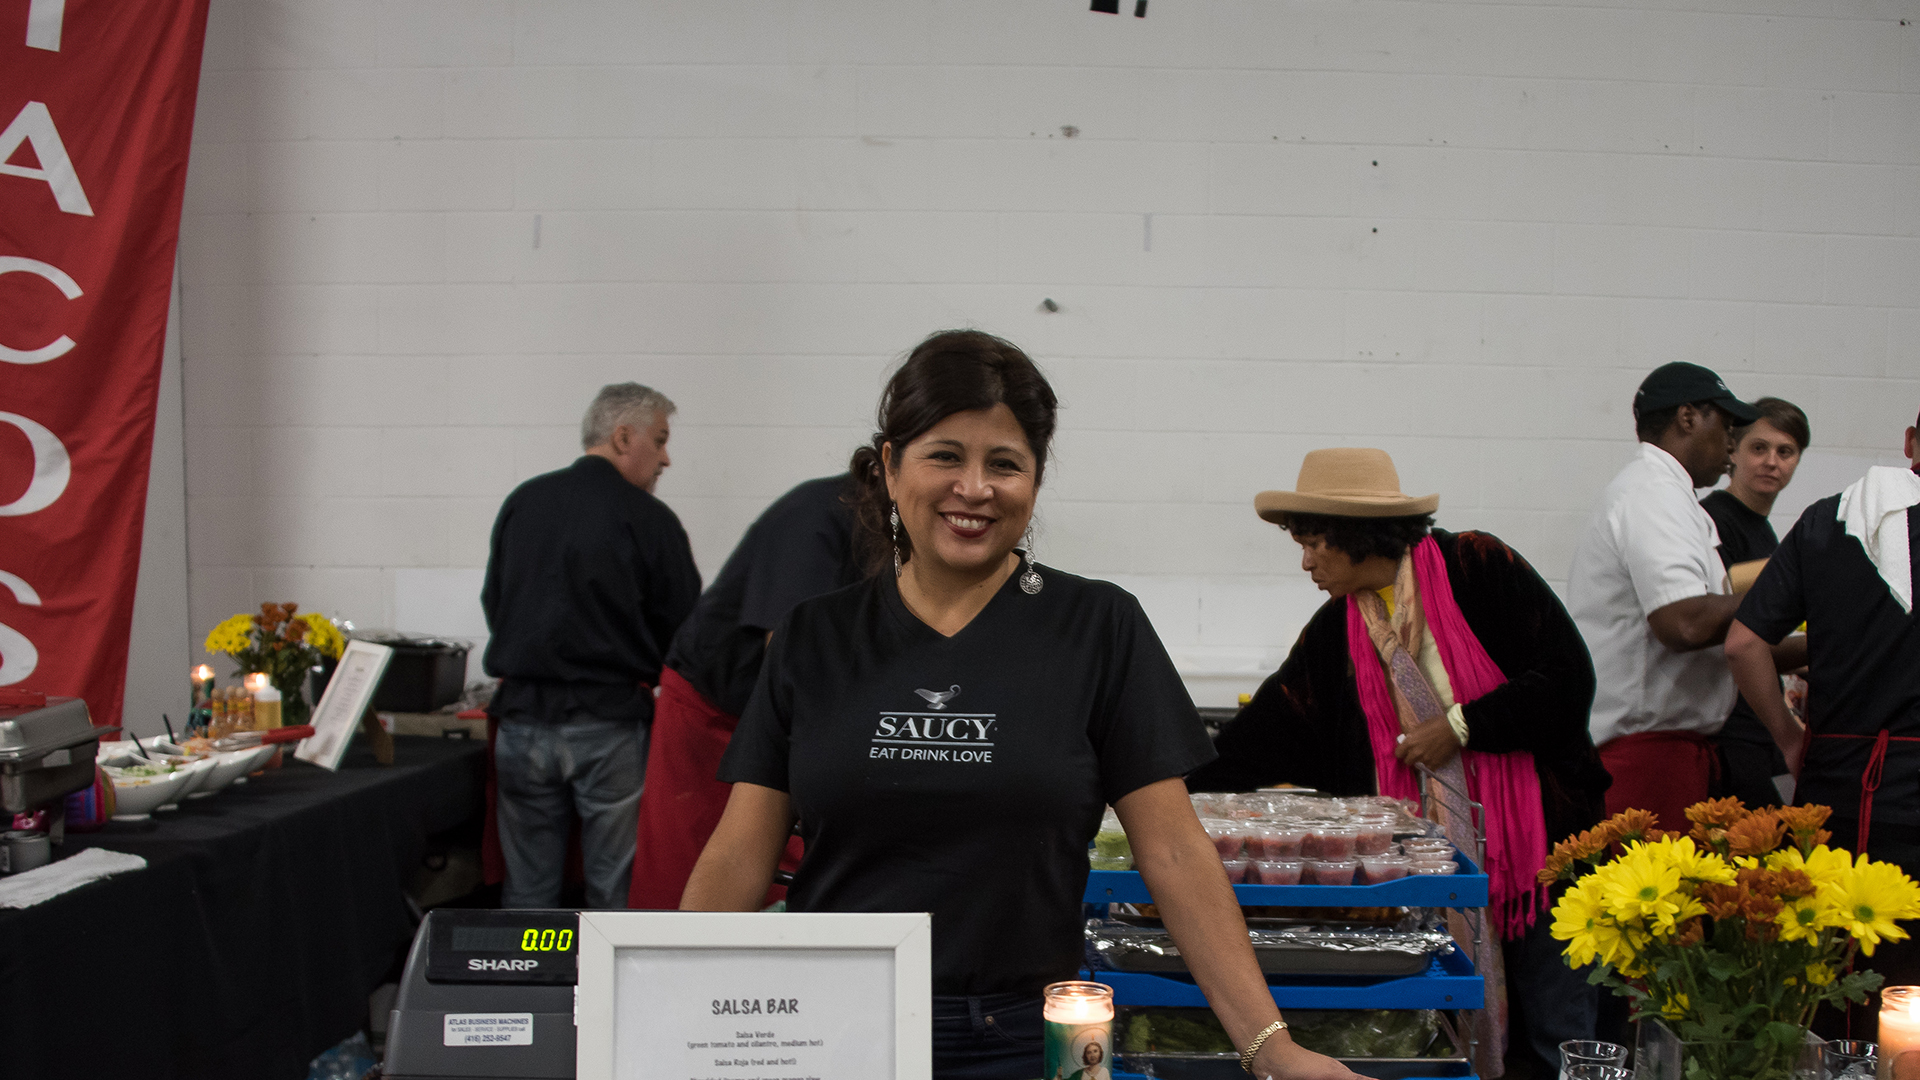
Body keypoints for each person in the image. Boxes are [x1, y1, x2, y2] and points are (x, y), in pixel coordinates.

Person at [681, 330, 1360, 1080]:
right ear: (890, 467)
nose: (974, 488)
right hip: (831, 1032)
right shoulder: (815, 636)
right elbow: (739, 854)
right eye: (946, 456)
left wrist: (1271, 1047)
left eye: (1005, 463)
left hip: (1023, 1041)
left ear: (1034, 479)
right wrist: (668, 1024)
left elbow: (1173, 851)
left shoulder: (1098, 628)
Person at [1189, 448, 1608, 1080]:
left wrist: (1461, 727)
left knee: (1556, 1033)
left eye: (1314, 543)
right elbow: (1264, 734)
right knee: (1449, 1035)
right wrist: (1161, 784)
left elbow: (1567, 680)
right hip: (1434, 869)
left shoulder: (1478, 566)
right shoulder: (1338, 630)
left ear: (1356, 534)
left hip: (1543, 856)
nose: (1306, 561)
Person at [1725, 408, 1920, 1039]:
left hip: (1835, 785)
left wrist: (1789, 736)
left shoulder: (1830, 520)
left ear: (1910, 443)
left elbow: (1743, 644)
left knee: (1831, 984)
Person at [481, 382, 701, 909]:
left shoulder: (524, 502)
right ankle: (599, 967)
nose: (666, 459)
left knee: (528, 888)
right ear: (624, 437)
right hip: (610, 725)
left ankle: (533, 959)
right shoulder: (649, 519)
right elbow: (684, 626)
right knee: (613, 890)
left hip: (521, 722)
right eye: (660, 440)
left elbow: (495, 601)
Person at [627, 474, 859, 909]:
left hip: (783, 712)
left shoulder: (897, 531)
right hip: (714, 711)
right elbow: (787, 652)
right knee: (696, 867)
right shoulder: (819, 516)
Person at [1567, 361, 1762, 832]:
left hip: (1669, 751)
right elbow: (1684, 624)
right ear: (1687, 416)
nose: (1732, 443)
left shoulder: (1669, 493)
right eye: (1726, 425)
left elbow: (1723, 633)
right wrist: (1787, 591)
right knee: (1653, 883)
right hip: (1646, 757)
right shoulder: (1653, 492)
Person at [1701, 397, 1810, 809]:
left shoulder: (1765, 533)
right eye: (1759, 448)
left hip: (1758, 722)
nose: (1771, 462)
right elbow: (1735, 637)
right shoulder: (1713, 522)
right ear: (1733, 450)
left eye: (1786, 451)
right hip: (1729, 729)